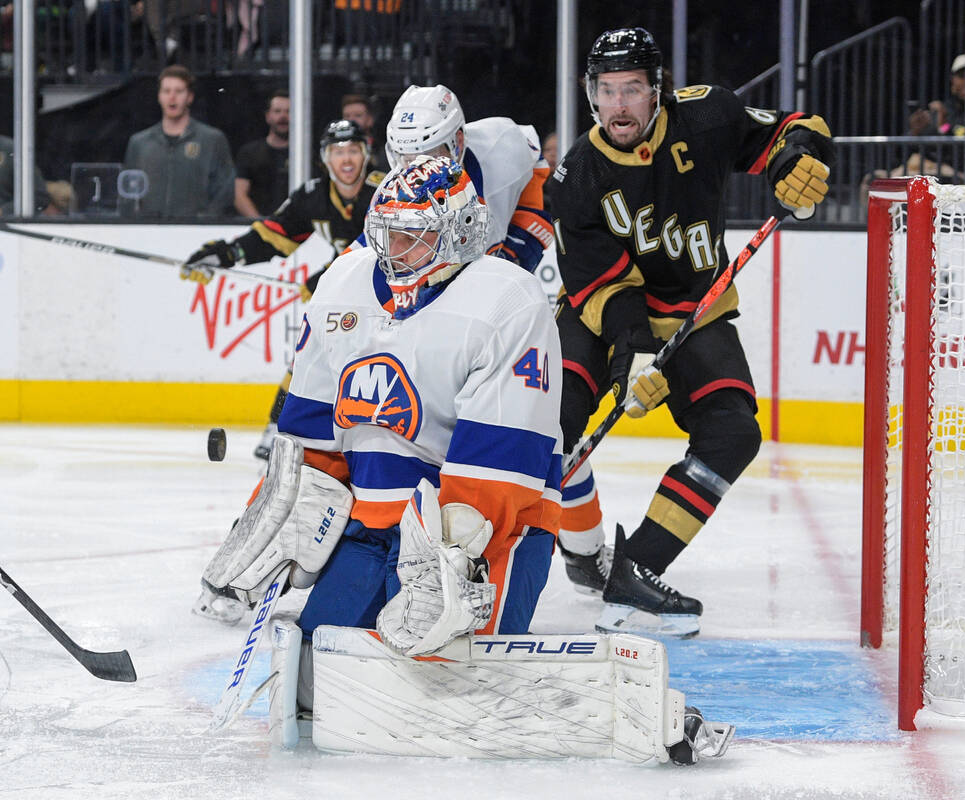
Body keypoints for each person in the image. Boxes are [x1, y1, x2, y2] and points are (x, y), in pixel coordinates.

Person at [199, 155, 731, 765]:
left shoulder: (507, 300)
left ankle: (645, 713)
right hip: (371, 527)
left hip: (490, 538)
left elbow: (493, 476)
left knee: (446, 693)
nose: (391, 248)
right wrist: (283, 513)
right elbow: (311, 435)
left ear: (454, 231)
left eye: (411, 233)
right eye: (386, 229)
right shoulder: (343, 284)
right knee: (319, 682)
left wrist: (442, 573)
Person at [550, 27, 833, 637]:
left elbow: (795, 126)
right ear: (590, 95)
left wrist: (793, 163)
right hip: (602, 317)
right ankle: (568, 552)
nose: (619, 105)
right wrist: (632, 362)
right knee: (554, 422)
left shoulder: (706, 116)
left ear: (657, 91)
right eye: (607, 91)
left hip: (695, 310)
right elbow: (606, 290)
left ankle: (636, 570)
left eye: (632, 89)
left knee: (732, 433)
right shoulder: (576, 177)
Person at [181, 119, 386, 475]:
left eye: (353, 150)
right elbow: (272, 235)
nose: (347, 160)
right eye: (338, 152)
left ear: (366, 154)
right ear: (325, 158)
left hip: (390, 301)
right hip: (348, 300)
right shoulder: (314, 196)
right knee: (310, 353)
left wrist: (325, 278)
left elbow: (381, 247)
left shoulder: (383, 191)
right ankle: (280, 429)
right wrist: (225, 255)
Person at [378, 84, 554, 274]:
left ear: (458, 142)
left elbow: (533, 160)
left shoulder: (501, 146)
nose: (417, 169)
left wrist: (520, 238)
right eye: (405, 157)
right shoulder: (387, 196)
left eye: (428, 154)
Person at [122, 65, 235, 218]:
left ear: (190, 97)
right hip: (148, 231)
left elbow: (225, 190)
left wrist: (205, 222)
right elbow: (128, 193)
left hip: (196, 232)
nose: (172, 97)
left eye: (179, 91)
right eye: (166, 91)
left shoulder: (212, 139)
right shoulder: (139, 143)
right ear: (159, 96)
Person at [909, 54, 965, 137]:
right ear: (952, 80)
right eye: (962, 76)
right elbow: (930, 143)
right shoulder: (943, 110)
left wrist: (944, 127)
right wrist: (915, 131)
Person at [234, 89, 290, 218]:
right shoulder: (249, 153)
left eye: (288, 111)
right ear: (268, 116)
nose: (283, 116)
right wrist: (262, 226)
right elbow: (239, 196)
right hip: (258, 228)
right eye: (277, 111)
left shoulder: (305, 155)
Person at [341, 93, 388, 174]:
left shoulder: (384, 152)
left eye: (358, 115)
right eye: (347, 116)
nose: (351, 120)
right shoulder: (333, 152)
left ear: (370, 119)